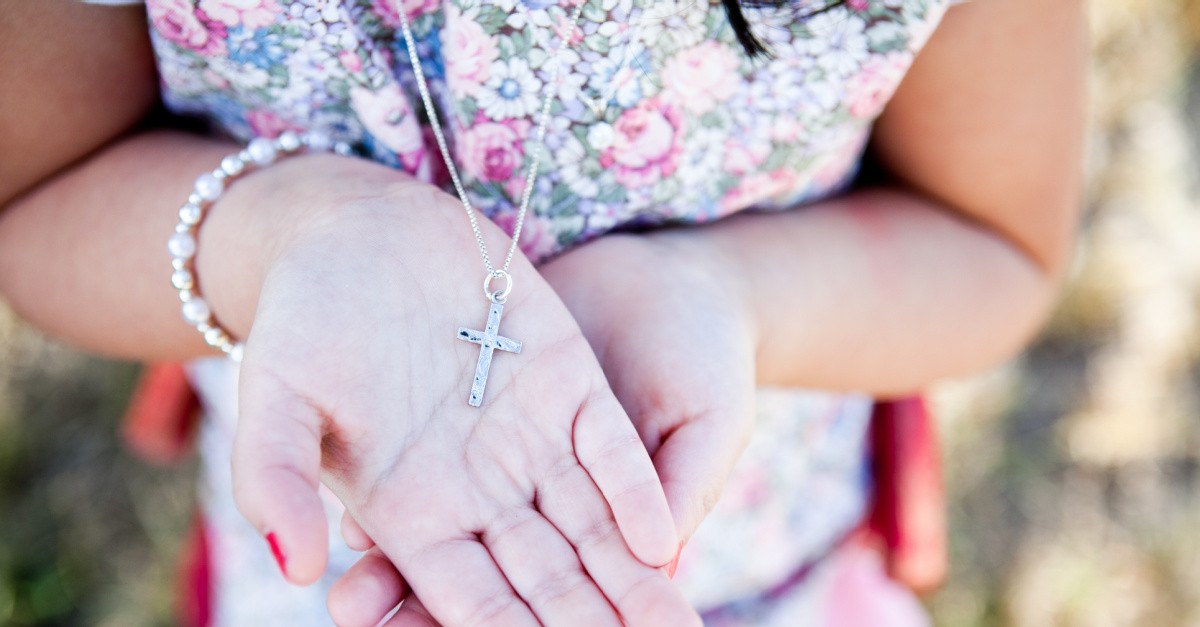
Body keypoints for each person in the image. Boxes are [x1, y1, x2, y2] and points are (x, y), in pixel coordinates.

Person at [0, 0, 1083, 624]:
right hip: (340, 562)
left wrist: (731, 294)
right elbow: (35, 199)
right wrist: (279, 238)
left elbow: (994, 246)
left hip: (747, 556)